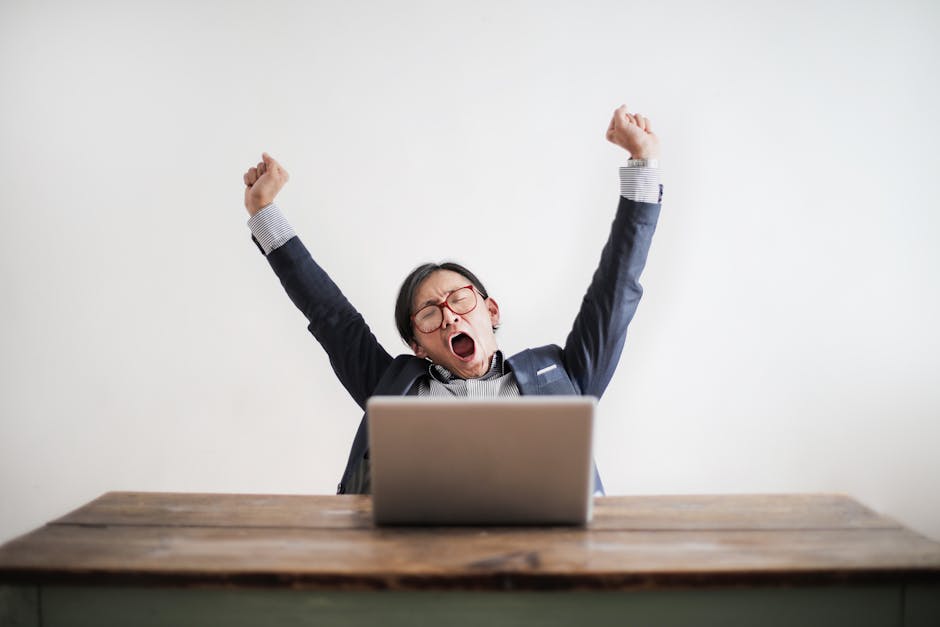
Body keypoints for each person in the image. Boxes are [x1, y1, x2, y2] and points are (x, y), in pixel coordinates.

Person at [242, 105, 662, 495]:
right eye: (427, 313)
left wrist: (642, 166)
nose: (447, 317)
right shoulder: (392, 391)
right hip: (415, 563)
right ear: (416, 345)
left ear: (490, 311)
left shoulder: (564, 376)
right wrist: (264, 212)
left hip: (544, 562)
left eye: (459, 300)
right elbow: (331, 316)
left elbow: (616, 289)